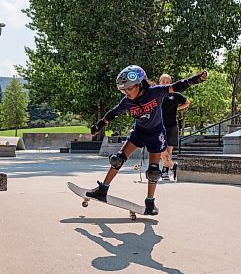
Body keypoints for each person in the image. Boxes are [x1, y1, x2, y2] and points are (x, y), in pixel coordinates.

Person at [88, 65, 208, 215]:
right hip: (139, 132)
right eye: (123, 90)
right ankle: (103, 189)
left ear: (139, 84)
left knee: (153, 171)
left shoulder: (155, 92)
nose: (126, 93)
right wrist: (99, 125)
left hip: (156, 134)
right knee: (117, 159)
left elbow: (176, 86)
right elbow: (113, 113)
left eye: (129, 89)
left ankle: (150, 203)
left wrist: (196, 79)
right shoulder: (127, 101)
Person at [158, 74, 190, 181]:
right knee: (160, 148)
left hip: (171, 125)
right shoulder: (156, 94)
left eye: (168, 82)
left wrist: (177, 108)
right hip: (158, 125)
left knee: (169, 149)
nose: (165, 83)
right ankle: (172, 165)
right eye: (163, 81)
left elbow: (187, 102)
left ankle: (165, 170)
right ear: (160, 82)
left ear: (171, 83)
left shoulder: (175, 95)